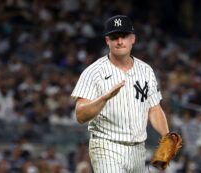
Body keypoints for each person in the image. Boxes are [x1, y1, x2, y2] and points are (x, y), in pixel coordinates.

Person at [71, 15, 170, 173]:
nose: (119, 41)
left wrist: (166, 136)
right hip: (106, 146)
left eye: (124, 36)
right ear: (107, 41)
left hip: (138, 149)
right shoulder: (93, 72)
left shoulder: (146, 70)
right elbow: (80, 115)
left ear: (133, 39)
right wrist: (104, 98)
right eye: (114, 37)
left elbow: (154, 108)